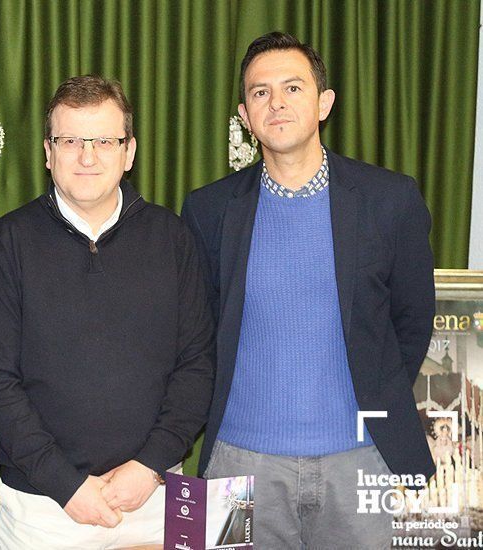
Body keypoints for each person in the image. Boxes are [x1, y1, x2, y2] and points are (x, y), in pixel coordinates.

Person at [181, 32, 435, 549]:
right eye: (260, 92)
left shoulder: (390, 200)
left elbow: (412, 323)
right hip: (236, 466)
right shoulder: (208, 211)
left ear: (324, 103)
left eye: (293, 88)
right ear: (244, 115)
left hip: (364, 463)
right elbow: (198, 331)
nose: (276, 102)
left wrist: (369, 398)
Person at [0, 75, 215, 549]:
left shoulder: (173, 238)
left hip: (156, 497)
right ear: (48, 152)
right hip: (41, 509)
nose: (88, 156)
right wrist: (67, 486)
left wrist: (149, 466)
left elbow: (197, 365)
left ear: (129, 152)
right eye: (70, 141)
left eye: (104, 140)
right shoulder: (7, 243)